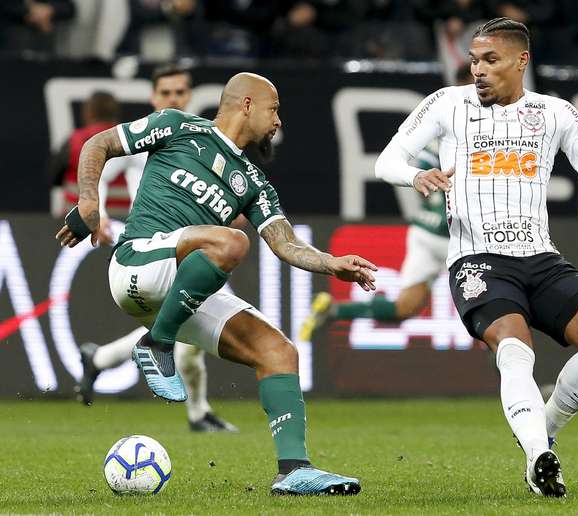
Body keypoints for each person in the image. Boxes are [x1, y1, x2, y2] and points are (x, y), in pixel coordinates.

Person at [374, 17, 578, 497]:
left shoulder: (555, 113)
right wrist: (413, 176)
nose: (477, 70)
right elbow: (387, 160)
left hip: (540, 257)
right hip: (477, 258)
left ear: (521, 60)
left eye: (490, 60)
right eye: (474, 60)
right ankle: (539, 457)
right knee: (515, 348)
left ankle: (543, 432)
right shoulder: (446, 104)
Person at [56, 72, 376, 495]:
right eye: (274, 109)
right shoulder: (177, 125)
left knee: (278, 352)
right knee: (230, 241)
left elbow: (285, 244)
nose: (278, 121)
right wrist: (90, 202)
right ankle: (157, 344)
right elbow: (100, 144)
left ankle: (294, 469)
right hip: (137, 263)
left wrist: (330, 263)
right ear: (247, 104)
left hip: (177, 285)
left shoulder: (255, 183)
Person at [77, 64, 237, 434]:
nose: (173, 99)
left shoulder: (203, 140)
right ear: (153, 97)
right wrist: (95, 208)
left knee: (184, 328)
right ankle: (199, 414)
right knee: (189, 325)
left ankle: (99, 359)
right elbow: (101, 160)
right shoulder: (147, 135)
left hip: (192, 248)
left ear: (189, 96)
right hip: (152, 248)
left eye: (179, 92)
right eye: (165, 93)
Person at [300, 66, 473, 338]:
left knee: (404, 308)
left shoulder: (440, 121)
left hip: (427, 231)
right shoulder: (473, 125)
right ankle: (512, 372)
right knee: (496, 306)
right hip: (460, 235)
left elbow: (422, 177)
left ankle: (335, 310)